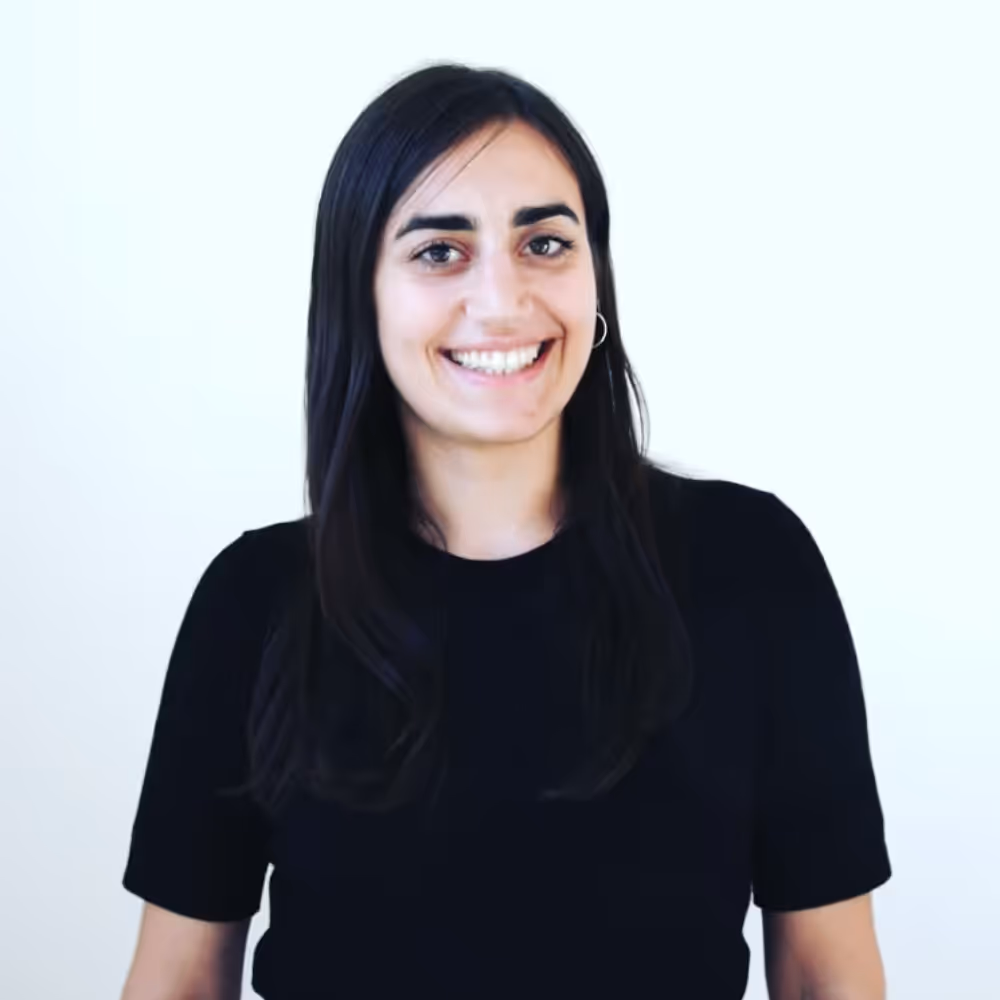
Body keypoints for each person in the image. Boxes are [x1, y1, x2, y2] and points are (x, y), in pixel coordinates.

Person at [119, 63, 891, 1000]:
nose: (502, 300)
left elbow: (828, 974)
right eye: (440, 251)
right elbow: (178, 982)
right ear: (360, 294)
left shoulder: (752, 564)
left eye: (546, 243)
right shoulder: (257, 603)